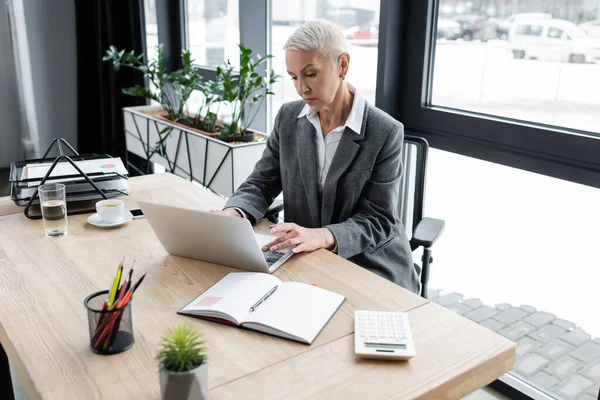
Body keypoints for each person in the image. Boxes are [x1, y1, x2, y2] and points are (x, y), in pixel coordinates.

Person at [218, 19, 419, 293]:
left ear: (343, 66)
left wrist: (324, 235)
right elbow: (261, 183)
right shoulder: (288, 118)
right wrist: (234, 212)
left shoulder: (384, 131)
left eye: (310, 73)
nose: (301, 88)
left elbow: (378, 219)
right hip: (306, 258)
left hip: (368, 262)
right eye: (293, 77)